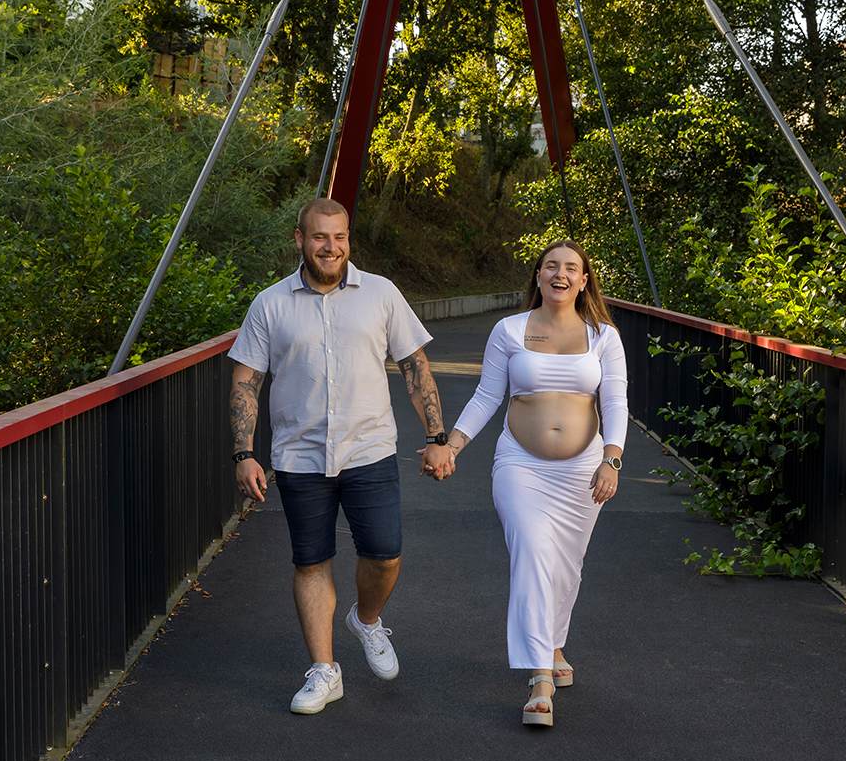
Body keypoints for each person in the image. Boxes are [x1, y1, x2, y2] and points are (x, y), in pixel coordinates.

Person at [227, 197, 453, 715]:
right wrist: (244, 452)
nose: (332, 247)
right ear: (300, 240)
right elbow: (246, 382)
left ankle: (367, 619)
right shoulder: (269, 304)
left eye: (340, 236)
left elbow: (415, 369)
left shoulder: (381, 294)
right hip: (299, 456)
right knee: (311, 561)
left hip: (369, 449)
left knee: (385, 554)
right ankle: (325, 671)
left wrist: (438, 438)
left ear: (349, 238)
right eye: (320, 237)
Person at [438, 239, 627, 726]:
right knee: (533, 552)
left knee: (566, 566)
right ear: (538, 277)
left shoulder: (604, 336)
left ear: (584, 280)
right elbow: (486, 396)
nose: (560, 275)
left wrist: (612, 460)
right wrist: (452, 445)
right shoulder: (509, 330)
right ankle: (540, 676)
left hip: (584, 470)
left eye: (571, 268)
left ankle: (554, 643)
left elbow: (617, 404)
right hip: (520, 465)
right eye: (551, 267)